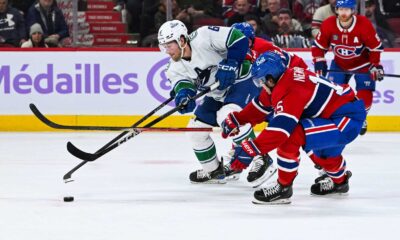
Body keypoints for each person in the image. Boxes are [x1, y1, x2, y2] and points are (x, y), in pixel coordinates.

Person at [221, 51, 366, 204]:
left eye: (261, 81)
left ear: (270, 79)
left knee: (291, 136)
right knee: (325, 156)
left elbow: (281, 131)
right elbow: (261, 106)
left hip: (345, 120)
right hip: (338, 113)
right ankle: (340, 183)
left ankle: (283, 188)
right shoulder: (284, 78)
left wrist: (251, 149)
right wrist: (237, 119)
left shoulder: (290, 89)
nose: (261, 86)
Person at [157, 20, 276, 185]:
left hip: (243, 80)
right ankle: (215, 171)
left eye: (169, 45)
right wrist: (184, 97)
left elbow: (238, 38)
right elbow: (183, 86)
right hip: (218, 93)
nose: (167, 51)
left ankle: (261, 158)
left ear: (182, 40)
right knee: (194, 130)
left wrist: (232, 63)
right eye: (163, 47)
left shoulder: (204, 36)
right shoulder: (173, 68)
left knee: (227, 115)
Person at [311, 0, 384, 135]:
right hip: (339, 64)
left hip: (362, 64)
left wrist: (375, 64)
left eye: (347, 9)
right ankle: (337, 118)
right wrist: (319, 62)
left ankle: (361, 118)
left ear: (352, 11)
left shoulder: (363, 24)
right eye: (341, 9)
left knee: (365, 92)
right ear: (337, 10)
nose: (344, 13)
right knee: (335, 92)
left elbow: (375, 47)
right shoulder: (328, 24)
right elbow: (318, 46)